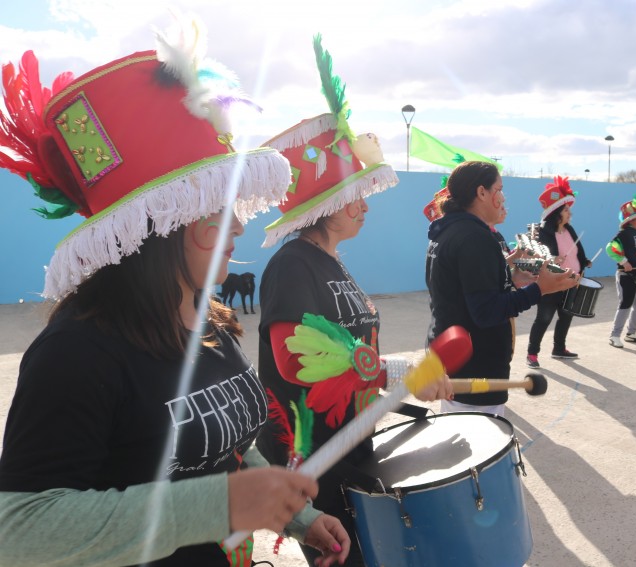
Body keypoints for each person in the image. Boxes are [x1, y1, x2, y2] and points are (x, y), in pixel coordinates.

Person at [0, 24, 349, 567]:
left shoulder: (211, 319)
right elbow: (20, 530)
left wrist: (297, 517)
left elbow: (226, 451)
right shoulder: (76, 352)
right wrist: (219, 505)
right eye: (218, 209)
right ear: (164, 225)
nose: (238, 226)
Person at [255, 36, 452, 567]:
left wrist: (399, 380)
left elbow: (352, 350)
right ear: (327, 204)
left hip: (352, 441)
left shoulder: (334, 262)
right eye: (355, 196)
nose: (364, 206)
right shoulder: (293, 263)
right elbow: (295, 360)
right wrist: (397, 372)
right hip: (311, 456)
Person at [426, 161, 579, 416]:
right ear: (481, 192)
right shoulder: (475, 238)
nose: (503, 197)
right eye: (499, 189)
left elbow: (463, 290)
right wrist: (540, 289)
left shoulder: (448, 231)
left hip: (457, 360)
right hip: (476, 366)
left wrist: (512, 279)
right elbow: (486, 312)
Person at [525, 176, 590, 366]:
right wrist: (552, 259)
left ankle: (559, 348)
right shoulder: (543, 231)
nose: (570, 213)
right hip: (551, 283)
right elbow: (536, 255)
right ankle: (532, 354)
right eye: (566, 209)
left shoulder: (569, 229)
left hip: (571, 281)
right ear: (556, 212)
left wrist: (584, 262)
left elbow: (577, 251)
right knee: (544, 318)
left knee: (566, 316)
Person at [606, 195, 636, 348]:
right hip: (626, 276)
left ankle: (631, 333)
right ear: (630, 220)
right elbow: (610, 248)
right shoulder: (623, 234)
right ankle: (614, 335)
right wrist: (623, 261)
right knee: (625, 304)